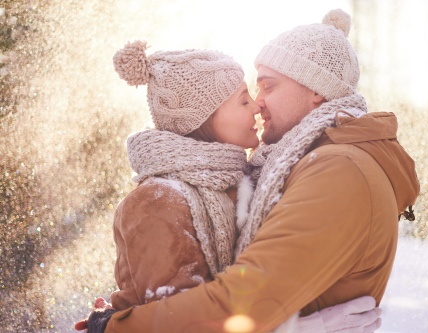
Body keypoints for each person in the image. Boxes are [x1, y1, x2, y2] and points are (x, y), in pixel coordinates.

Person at [75, 37, 383, 333]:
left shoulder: (241, 183)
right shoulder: (158, 200)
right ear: (204, 118)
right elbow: (174, 323)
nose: (256, 107)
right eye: (243, 100)